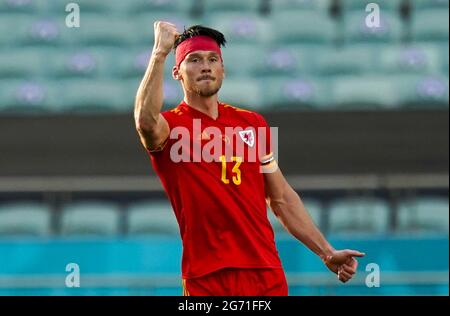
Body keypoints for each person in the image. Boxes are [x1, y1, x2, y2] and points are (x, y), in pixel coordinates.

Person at [134, 22, 365, 296]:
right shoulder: (170, 127)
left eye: (212, 59)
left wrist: (326, 252)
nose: (205, 66)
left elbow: (280, 198)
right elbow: (145, 122)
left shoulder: (252, 124)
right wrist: (159, 53)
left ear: (223, 70)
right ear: (177, 73)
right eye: (193, 60)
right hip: (207, 278)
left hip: (265, 273)